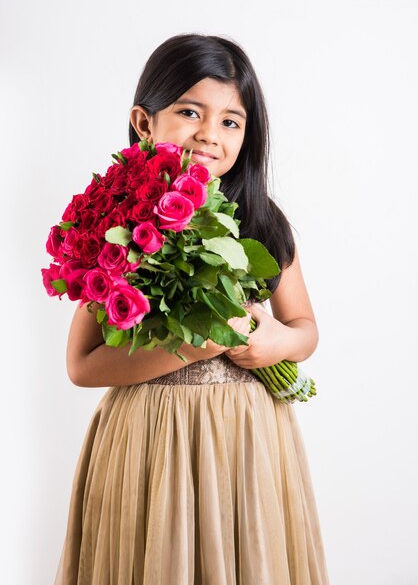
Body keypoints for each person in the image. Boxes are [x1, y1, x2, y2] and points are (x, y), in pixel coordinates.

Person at [54, 33, 330, 585]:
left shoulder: (260, 218)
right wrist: (197, 343)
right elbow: (83, 364)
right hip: (150, 437)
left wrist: (276, 340)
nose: (210, 133)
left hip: (247, 438)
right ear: (143, 122)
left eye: (231, 120)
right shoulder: (122, 221)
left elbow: (305, 329)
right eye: (189, 111)